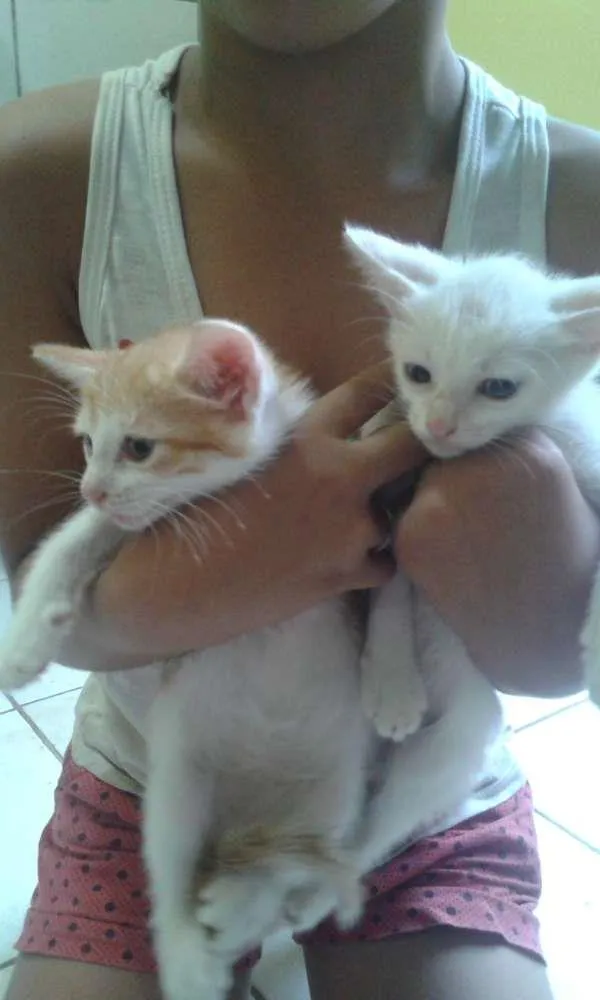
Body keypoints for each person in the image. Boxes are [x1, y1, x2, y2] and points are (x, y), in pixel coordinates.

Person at [1, 1, 598, 998]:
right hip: (148, 779)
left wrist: (518, 505)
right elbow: (45, 602)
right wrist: (276, 541)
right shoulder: (37, 173)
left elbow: (558, 665)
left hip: (426, 816)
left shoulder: (576, 193)